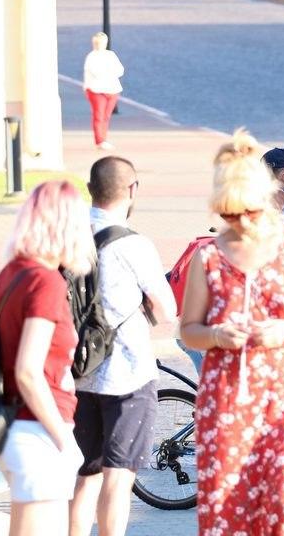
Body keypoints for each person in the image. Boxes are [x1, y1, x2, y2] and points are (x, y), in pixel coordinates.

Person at [179, 130, 284, 535]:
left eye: (247, 212)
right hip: (228, 396)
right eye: (230, 215)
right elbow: (189, 330)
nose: (240, 223)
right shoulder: (209, 256)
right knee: (227, 506)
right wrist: (217, 335)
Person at [69, 157, 177, 536]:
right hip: (127, 374)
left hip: (81, 372)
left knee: (88, 472)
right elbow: (166, 309)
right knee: (118, 476)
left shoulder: (67, 237)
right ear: (132, 190)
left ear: (90, 190)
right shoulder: (133, 244)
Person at [0, 181, 93, 535]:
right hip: (37, 428)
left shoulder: (11, 273)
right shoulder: (45, 282)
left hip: (14, 426)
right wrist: (64, 441)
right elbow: (29, 371)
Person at [82, 32, 124, 151]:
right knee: (98, 116)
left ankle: (103, 139)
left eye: (102, 42)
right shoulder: (92, 57)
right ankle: (99, 141)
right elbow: (96, 73)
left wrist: (109, 72)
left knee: (106, 116)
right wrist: (110, 72)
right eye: (97, 42)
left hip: (112, 89)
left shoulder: (111, 55)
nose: (99, 45)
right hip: (96, 90)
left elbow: (120, 70)